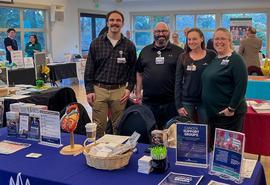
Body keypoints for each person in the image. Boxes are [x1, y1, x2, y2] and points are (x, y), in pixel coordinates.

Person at [84, 10, 137, 138]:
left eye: (118, 20)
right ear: (107, 23)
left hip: (119, 90)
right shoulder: (96, 44)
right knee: (99, 126)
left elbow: (132, 70)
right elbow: (89, 69)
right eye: (112, 20)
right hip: (99, 90)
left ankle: (116, 154)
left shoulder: (129, 46)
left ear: (122, 23)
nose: (115, 23)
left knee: (118, 125)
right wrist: (89, 90)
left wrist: (129, 89)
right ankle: (99, 154)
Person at [202, 27, 248, 146]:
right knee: (216, 149)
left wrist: (231, 108)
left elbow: (241, 86)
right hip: (214, 114)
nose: (219, 41)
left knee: (228, 151)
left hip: (229, 115)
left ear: (229, 41)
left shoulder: (236, 60)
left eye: (223, 38)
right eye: (216, 38)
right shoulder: (215, 59)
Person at [136, 22, 184, 129]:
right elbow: (139, 73)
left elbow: (184, 76)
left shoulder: (179, 52)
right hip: (149, 102)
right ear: (154, 33)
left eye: (164, 31)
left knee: (170, 134)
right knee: (151, 131)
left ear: (169, 33)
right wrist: (138, 92)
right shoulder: (145, 51)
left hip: (171, 103)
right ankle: (153, 147)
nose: (161, 34)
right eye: (158, 31)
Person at [175, 28, 216, 123]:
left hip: (205, 101)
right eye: (189, 39)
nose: (191, 42)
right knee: (187, 131)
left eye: (194, 39)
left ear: (201, 39)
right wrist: (178, 105)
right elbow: (178, 81)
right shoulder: (183, 57)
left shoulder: (211, 55)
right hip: (187, 101)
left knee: (205, 130)